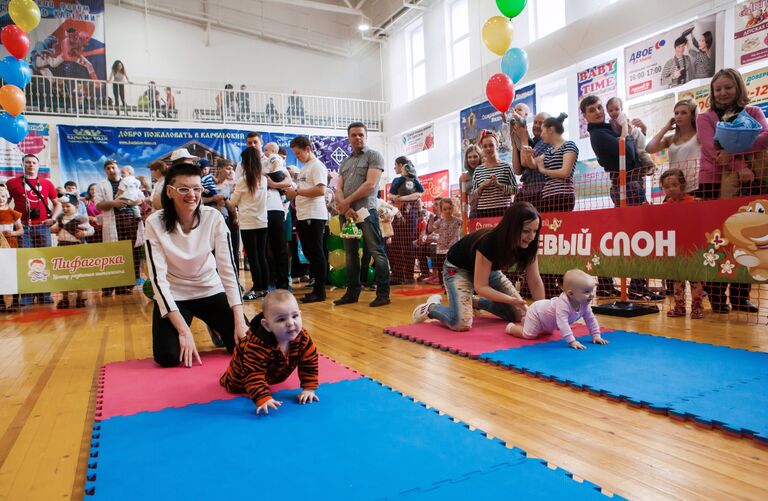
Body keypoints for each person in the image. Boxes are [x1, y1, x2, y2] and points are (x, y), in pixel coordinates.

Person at [144, 162, 248, 368]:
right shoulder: (154, 223)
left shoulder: (214, 218)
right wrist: (183, 330)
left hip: (210, 289)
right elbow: (158, 280)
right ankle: (197, 324)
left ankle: (217, 325)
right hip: (176, 295)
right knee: (168, 357)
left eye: (196, 189)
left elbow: (228, 271)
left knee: (245, 345)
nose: (191, 194)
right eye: (183, 189)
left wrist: (239, 321)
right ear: (170, 192)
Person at [696, 68, 768, 313]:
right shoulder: (705, 118)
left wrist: (734, 148)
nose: (723, 93)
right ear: (712, 92)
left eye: (728, 87)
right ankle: (717, 296)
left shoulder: (753, 112)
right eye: (718, 89)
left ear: (738, 87)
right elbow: (712, 149)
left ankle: (740, 296)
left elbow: (766, 137)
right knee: (716, 242)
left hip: (752, 181)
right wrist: (740, 164)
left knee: (747, 239)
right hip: (713, 183)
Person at [412, 202, 545, 331]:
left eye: (535, 231)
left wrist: (542, 312)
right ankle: (431, 307)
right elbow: (481, 286)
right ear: (512, 228)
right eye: (526, 231)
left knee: (519, 314)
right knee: (460, 323)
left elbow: (535, 281)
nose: (531, 237)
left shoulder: (530, 245)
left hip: (489, 270)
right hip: (458, 268)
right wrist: (512, 299)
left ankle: (474, 302)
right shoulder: (489, 242)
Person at [582, 95, 660, 301]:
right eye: (592, 110)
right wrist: (626, 132)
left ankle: (631, 284)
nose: (599, 111)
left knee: (635, 237)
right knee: (638, 238)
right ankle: (636, 285)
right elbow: (627, 153)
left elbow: (634, 148)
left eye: (600, 107)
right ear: (585, 116)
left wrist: (638, 131)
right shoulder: (598, 135)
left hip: (631, 183)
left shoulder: (609, 127)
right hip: (626, 186)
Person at [219, 290, 319, 415]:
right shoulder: (256, 346)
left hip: (270, 377)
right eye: (281, 319)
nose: (290, 323)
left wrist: (309, 388)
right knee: (237, 382)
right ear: (267, 325)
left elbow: (309, 362)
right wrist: (263, 398)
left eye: (295, 316)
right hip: (239, 381)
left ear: (300, 314)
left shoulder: (302, 337)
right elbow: (253, 373)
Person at [334, 122, 391, 307]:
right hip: (347, 213)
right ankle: (352, 292)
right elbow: (338, 187)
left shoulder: (374, 156)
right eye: (353, 135)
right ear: (349, 138)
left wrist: (346, 202)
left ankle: (383, 294)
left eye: (360, 134)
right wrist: (344, 206)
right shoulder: (345, 161)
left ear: (366, 136)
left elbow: (370, 185)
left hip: (366, 211)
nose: (357, 138)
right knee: (350, 254)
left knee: (376, 251)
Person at [505, 269, 609, 350]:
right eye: (587, 292)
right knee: (529, 335)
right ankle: (511, 328)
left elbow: (591, 319)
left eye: (592, 291)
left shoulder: (584, 304)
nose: (591, 295)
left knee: (548, 333)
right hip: (536, 312)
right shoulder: (563, 305)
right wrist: (572, 341)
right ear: (570, 294)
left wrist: (596, 335)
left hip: (547, 321)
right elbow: (563, 323)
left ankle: (526, 321)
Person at [6, 154, 61, 306]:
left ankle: (45, 295)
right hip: (22, 227)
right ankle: (27, 296)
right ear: (23, 165)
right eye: (27, 162)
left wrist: (54, 218)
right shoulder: (12, 183)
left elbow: (57, 204)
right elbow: (5, 201)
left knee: (45, 259)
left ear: (38, 165)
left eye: (33, 162)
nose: (30, 165)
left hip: (43, 227)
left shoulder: (47, 183)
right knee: (26, 261)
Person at [286, 135, 328, 303]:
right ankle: (316, 287)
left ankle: (320, 291)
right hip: (304, 215)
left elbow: (321, 190)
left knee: (316, 253)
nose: (297, 157)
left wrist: (296, 192)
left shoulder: (317, 166)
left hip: (314, 215)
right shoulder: (305, 168)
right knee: (310, 253)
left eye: (298, 154)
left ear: (308, 149)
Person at [94, 159, 144, 296]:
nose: (111, 170)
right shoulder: (101, 185)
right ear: (105, 171)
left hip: (129, 222)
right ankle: (110, 287)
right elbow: (98, 205)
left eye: (113, 167)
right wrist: (113, 203)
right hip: (112, 222)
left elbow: (141, 198)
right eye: (108, 168)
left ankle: (127, 286)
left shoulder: (130, 181)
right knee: (113, 255)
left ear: (118, 168)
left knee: (131, 254)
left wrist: (133, 201)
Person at [659, 169, 704, 319]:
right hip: (676, 248)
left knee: (695, 280)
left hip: (693, 248)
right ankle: (679, 306)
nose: (671, 188)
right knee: (677, 279)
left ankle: (697, 307)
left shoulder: (694, 202)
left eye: (674, 184)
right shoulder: (666, 205)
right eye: (667, 186)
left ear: (682, 185)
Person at [232, 147, 269, 301]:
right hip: (262, 221)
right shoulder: (264, 179)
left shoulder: (242, 181)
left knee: (253, 257)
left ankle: (258, 288)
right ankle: (263, 288)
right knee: (262, 256)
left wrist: (223, 199)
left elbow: (233, 202)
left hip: (248, 223)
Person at [646, 99, 701, 193]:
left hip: (695, 185)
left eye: (684, 113)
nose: (679, 116)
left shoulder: (699, 134)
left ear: (692, 116)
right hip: (676, 188)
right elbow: (649, 148)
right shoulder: (670, 139)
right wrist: (666, 128)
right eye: (676, 113)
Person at [50, 193, 94, 309]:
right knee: (63, 274)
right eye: (63, 206)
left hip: (77, 248)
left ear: (77, 206)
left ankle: (80, 298)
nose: (65, 208)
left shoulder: (81, 218)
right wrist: (54, 229)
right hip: (62, 247)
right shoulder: (60, 218)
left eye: (68, 206)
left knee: (78, 274)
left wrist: (84, 233)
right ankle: (64, 298)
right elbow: (53, 228)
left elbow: (91, 230)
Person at [388, 156, 424, 285]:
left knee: (408, 246)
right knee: (397, 245)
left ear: (401, 165)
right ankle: (398, 275)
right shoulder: (397, 180)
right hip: (398, 216)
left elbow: (419, 193)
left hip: (410, 218)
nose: (394, 168)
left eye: (396, 165)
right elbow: (391, 195)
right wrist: (397, 198)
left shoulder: (415, 180)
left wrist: (402, 199)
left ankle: (408, 275)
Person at [263, 142, 292, 291]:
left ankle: (283, 282)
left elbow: (287, 180)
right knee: (263, 248)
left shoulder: (274, 159)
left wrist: (272, 183)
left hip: (275, 208)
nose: (264, 151)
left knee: (279, 246)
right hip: (259, 209)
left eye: (257, 143)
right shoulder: (249, 162)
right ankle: (267, 281)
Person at [470, 129, 516, 218]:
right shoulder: (478, 170)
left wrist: (499, 185)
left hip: (503, 210)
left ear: (497, 146)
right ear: (482, 148)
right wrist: (482, 186)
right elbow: (473, 195)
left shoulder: (506, 167)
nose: (488, 149)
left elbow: (515, 190)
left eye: (491, 145)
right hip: (483, 212)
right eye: (485, 146)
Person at [512, 112, 550, 213]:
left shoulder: (547, 142)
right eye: (535, 122)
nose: (537, 125)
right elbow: (517, 170)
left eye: (541, 123)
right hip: (528, 192)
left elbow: (525, 162)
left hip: (540, 194)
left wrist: (523, 136)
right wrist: (514, 144)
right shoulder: (533, 142)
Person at [606, 97, 655, 174]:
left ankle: (651, 166)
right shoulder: (612, 121)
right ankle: (645, 167)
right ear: (607, 112)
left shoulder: (621, 116)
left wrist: (622, 137)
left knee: (640, 151)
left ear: (621, 109)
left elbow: (625, 126)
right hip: (632, 138)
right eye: (610, 110)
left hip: (637, 135)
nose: (614, 112)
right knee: (636, 153)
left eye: (617, 109)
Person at [213, 159, 241, 276]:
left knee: (233, 250)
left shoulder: (232, 186)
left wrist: (235, 217)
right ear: (219, 168)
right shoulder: (210, 184)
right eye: (227, 168)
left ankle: (235, 278)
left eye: (231, 169)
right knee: (216, 252)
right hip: (214, 222)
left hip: (229, 220)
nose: (230, 171)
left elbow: (234, 205)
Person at [428, 198, 462, 286]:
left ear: (453, 208)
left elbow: (465, 223)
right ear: (441, 210)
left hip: (453, 248)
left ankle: (453, 282)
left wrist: (460, 212)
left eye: (450, 208)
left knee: (452, 266)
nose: (447, 211)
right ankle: (443, 283)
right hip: (441, 248)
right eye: (445, 209)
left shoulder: (456, 220)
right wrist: (431, 220)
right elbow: (431, 229)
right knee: (441, 267)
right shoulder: (440, 221)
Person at [0, 184, 23, 313]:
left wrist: (13, 233)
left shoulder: (13, 213)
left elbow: (21, 230)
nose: (0, 198)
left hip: (10, 245)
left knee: (12, 274)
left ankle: (15, 301)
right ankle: (1, 302)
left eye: (2, 196)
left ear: (7, 197)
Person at [462, 144, 483, 218]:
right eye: (469, 157)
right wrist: (464, 217)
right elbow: (463, 202)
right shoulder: (463, 178)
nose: (472, 159)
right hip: (473, 213)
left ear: (480, 157)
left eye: (475, 156)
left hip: (487, 209)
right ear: (466, 159)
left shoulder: (485, 172)